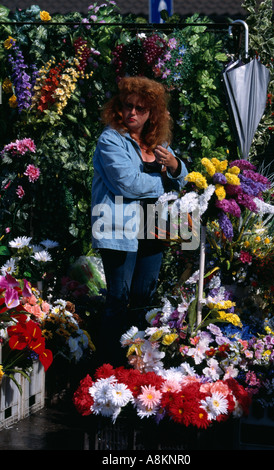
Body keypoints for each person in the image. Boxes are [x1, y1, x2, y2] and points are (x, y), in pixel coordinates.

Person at [91, 76, 188, 365]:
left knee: (144, 298)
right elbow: (127, 184)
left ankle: (137, 367)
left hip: (154, 224)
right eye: (127, 106)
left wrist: (175, 166)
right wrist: (166, 181)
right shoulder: (110, 139)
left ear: (151, 113)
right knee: (118, 300)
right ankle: (107, 366)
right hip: (118, 226)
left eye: (140, 108)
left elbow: (183, 178)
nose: (132, 113)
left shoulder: (157, 142)